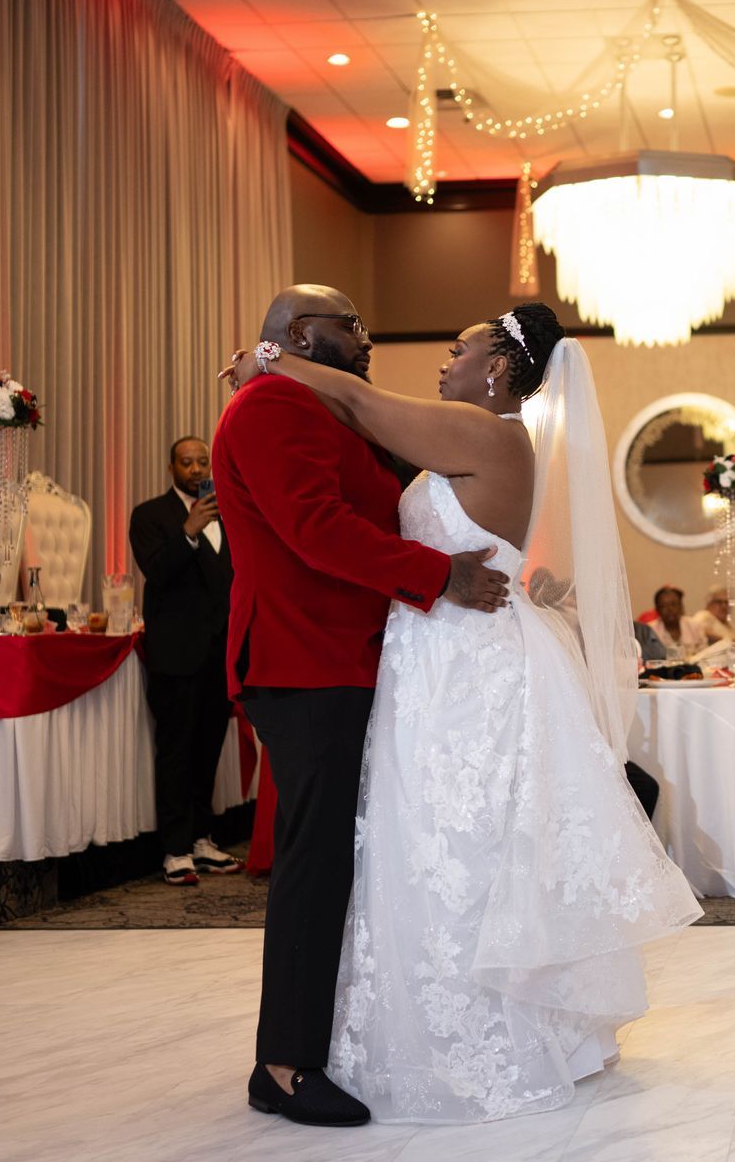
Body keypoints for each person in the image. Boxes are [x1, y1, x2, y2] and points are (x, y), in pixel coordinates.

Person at [236, 295, 700, 1124]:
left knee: (452, 845)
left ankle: (459, 1034)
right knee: (423, 847)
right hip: (414, 657)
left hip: (453, 660)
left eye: (456, 348)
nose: (431, 357)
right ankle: (350, 1044)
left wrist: (268, 361)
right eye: (354, 325)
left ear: (495, 369)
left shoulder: (482, 433)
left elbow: (358, 406)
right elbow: (330, 506)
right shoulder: (448, 434)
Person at [216, 285, 515, 1128]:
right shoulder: (273, 404)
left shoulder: (302, 397)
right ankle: (283, 1066)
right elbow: (313, 527)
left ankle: (314, 1042)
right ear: (301, 334)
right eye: (350, 325)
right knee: (312, 866)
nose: (367, 336)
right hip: (304, 659)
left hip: (338, 657)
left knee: (339, 859)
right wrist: (439, 576)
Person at [130, 437, 241, 887]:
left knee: (208, 748)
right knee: (176, 751)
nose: (196, 470)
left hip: (220, 652)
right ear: (171, 466)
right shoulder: (150, 515)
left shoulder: (228, 512)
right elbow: (157, 571)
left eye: (202, 462)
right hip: (176, 653)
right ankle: (175, 849)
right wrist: (189, 532)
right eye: (186, 462)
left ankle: (200, 838)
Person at [645, 585, 706, 656]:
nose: (669, 609)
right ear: (657, 610)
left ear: (681, 606)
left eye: (673, 604)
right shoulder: (650, 631)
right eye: (663, 606)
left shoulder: (695, 626)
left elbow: (705, 655)